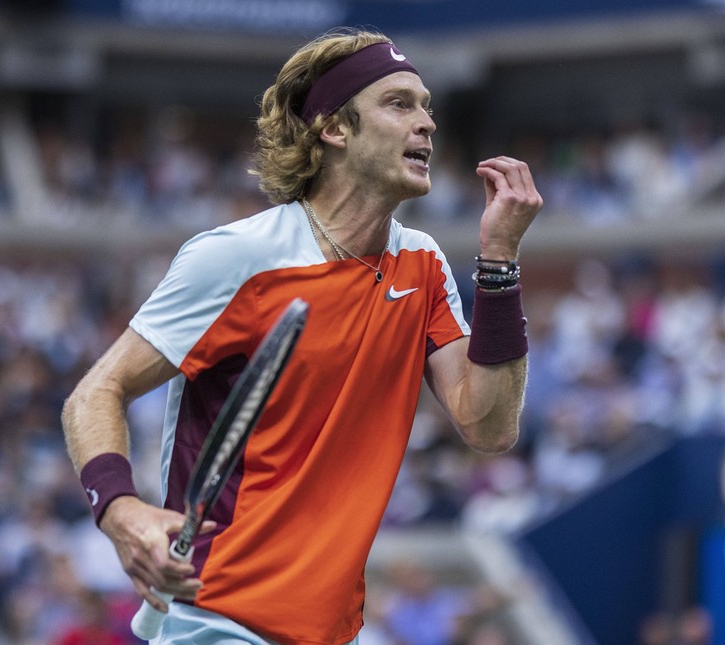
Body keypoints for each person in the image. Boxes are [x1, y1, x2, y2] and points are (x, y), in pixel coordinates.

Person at [61, 27, 542, 645]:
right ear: (334, 129)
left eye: (426, 106)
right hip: (217, 617)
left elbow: (491, 426)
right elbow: (96, 391)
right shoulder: (239, 258)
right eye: (399, 104)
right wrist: (121, 510)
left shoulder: (423, 265)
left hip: (329, 631)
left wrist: (500, 257)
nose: (426, 123)